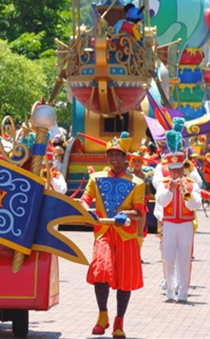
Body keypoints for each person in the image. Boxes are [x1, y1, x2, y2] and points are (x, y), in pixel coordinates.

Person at [79, 132, 144, 338]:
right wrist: (87, 211)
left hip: (126, 235)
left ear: (126, 158)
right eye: (110, 154)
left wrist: (126, 214)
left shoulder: (137, 182)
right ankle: (102, 315)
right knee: (100, 272)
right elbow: (84, 200)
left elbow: (140, 212)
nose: (114, 158)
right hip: (103, 232)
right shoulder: (95, 178)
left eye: (118, 154)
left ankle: (119, 322)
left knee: (125, 280)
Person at [155, 129, 202, 304]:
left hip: (186, 224)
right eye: (173, 171)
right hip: (169, 224)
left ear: (183, 169)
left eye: (179, 170)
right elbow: (161, 201)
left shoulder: (191, 184)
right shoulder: (163, 184)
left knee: (184, 259)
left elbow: (196, 205)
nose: (176, 174)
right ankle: (170, 288)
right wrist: (170, 190)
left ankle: (183, 292)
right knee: (167, 258)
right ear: (169, 170)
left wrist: (184, 193)